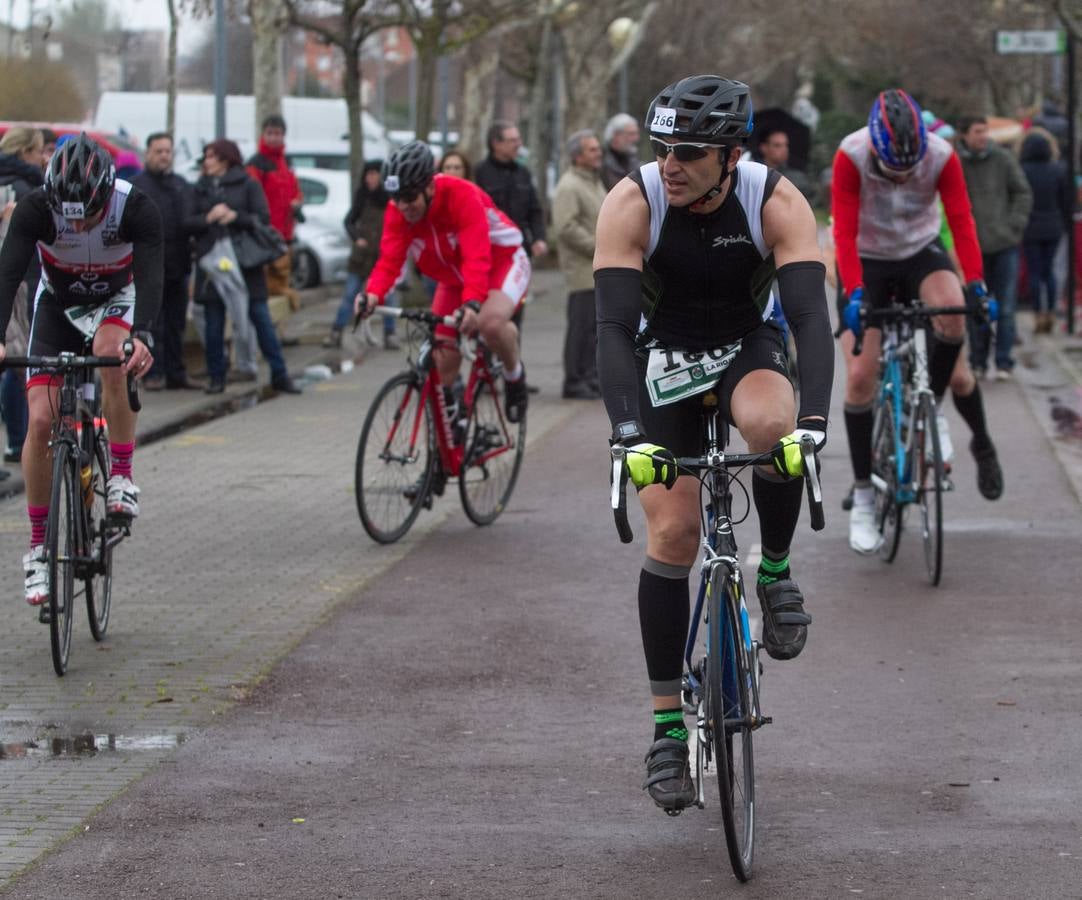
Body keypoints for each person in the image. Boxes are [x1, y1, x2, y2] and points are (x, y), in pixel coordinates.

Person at [594, 75, 833, 812]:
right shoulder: (634, 201)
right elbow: (610, 328)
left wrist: (814, 427)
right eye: (664, 146)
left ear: (731, 155)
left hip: (743, 345)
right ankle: (668, 725)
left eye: (690, 151)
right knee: (672, 531)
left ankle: (776, 575)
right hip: (660, 354)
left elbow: (809, 322)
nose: (671, 162)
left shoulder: (776, 200)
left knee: (773, 429)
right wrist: (628, 435)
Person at [833, 89, 1004, 556]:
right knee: (860, 377)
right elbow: (844, 231)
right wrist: (853, 293)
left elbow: (962, 219)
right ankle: (865, 492)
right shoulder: (851, 154)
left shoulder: (943, 155)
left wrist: (976, 284)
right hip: (867, 259)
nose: (904, 175)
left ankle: (953, 424)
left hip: (918, 253)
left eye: (910, 167)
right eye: (894, 169)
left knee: (952, 320)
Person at [0, 133, 161, 606]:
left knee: (113, 353)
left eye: (89, 215)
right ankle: (37, 549)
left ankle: (122, 474)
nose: (81, 223)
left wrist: (145, 335)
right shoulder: (34, 207)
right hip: (59, 306)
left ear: (106, 195)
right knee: (43, 420)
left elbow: (153, 274)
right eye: (71, 216)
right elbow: (8, 272)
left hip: (117, 299)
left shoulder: (135, 207)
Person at [358, 140, 531, 428]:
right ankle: (448, 444)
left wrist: (473, 303)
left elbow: (477, 257)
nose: (403, 205)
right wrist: (372, 294)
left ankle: (515, 377)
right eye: (396, 197)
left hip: (502, 262)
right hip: (454, 278)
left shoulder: (461, 195)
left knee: (489, 323)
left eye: (409, 196)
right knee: (442, 361)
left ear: (428, 186)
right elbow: (389, 261)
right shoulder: (398, 211)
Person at [189, 139, 301, 396]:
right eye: (206, 156)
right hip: (211, 266)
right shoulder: (200, 188)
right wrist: (208, 218)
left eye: (211, 157)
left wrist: (234, 216)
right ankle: (217, 377)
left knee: (261, 320)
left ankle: (279, 374)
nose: (207, 161)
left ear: (226, 160)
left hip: (246, 265)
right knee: (214, 323)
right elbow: (188, 221)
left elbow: (262, 218)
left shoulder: (247, 184)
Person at [956, 116, 1032, 379]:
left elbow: (1022, 192)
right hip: (972, 247)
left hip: (1004, 243)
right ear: (964, 134)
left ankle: (1004, 362)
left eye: (985, 131)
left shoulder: (1003, 159)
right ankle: (978, 361)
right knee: (976, 305)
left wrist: (1014, 225)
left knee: (1007, 306)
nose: (983, 136)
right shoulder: (956, 162)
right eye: (977, 131)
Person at [132, 132, 201, 390]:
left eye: (167, 151)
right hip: (149, 270)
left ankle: (176, 372)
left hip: (178, 265)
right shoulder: (137, 186)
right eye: (158, 151)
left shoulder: (181, 185)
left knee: (176, 323)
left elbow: (190, 219)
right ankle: (153, 373)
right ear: (148, 154)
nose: (163, 156)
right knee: (153, 324)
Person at [0, 127, 46, 464]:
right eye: (40, 151)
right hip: (22, 281)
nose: (44, 158)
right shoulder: (29, 190)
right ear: (27, 152)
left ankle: (17, 440)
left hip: (13, 280)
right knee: (18, 362)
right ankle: (20, 440)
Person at [551, 129, 605, 399]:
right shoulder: (569, 186)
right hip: (582, 270)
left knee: (594, 328)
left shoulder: (593, 182)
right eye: (592, 150)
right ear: (577, 156)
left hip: (596, 269)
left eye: (597, 148)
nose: (599, 153)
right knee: (580, 327)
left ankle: (590, 376)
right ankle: (573, 380)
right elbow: (566, 227)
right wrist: (601, 247)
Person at [324, 160, 394, 349]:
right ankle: (336, 332)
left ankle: (390, 334)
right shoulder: (361, 196)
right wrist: (357, 238)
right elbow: (349, 221)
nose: (371, 178)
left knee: (388, 296)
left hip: (382, 256)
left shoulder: (390, 198)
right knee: (349, 295)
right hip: (361, 257)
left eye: (375, 174)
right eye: (368, 174)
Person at [246, 115, 303, 312]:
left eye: (277, 133)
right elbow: (252, 196)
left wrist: (297, 202)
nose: (273, 138)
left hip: (284, 235)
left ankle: (278, 331)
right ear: (263, 134)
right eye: (270, 133)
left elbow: (295, 189)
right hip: (264, 236)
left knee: (282, 281)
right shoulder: (256, 164)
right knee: (267, 288)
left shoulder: (285, 163)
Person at [1019, 129, 1072, 334]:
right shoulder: (1057, 170)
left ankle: (1037, 312)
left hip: (1030, 227)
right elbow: (1065, 202)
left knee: (1034, 272)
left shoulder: (1023, 170)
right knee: (1049, 271)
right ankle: (1050, 310)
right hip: (1053, 226)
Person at [473, 121, 547, 259]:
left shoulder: (523, 173)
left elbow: (535, 210)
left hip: (520, 249)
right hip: (491, 250)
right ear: (496, 144)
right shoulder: (479, 173)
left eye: (519, 139)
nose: (518, 144)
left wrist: (539, 238)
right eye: (512, 140)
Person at [757, 126, 817, 206]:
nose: (784, 149)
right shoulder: (756, 174)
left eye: (786, 145)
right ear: (764, 148)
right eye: (777, 145)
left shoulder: (798, 177)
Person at [601, 113, 641, 191]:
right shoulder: (600, 164)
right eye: (631, 134)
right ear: (616, 135)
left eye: (636, 134)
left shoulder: (634, 162)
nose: (636, 138)